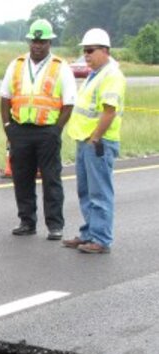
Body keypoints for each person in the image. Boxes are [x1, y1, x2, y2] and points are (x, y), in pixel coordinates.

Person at [0, 19, 76, 240]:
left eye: (42, 41)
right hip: (20, 130)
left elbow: (69, 102)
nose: (37, 45)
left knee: (51, 179)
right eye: (34, 40)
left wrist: (57, 130)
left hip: (47, 132)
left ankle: (55, 225)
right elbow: (5, 98)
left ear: (49, 42)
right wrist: (8, 126)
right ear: (29, 41)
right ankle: (27, 221)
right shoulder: (16, 64)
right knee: (22, 178)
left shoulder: (60, 67)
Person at [63, 28, 126, 254]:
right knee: (86, 191)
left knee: (99, 192)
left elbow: (108, 112)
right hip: (85, 140)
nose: (86, 55)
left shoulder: (112, 76)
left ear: (105, 51)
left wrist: (96, 137)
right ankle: (89, 232)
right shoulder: (96, 74)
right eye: (84, 51)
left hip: (98, 142)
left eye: (90, 51)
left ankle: (101, 239)